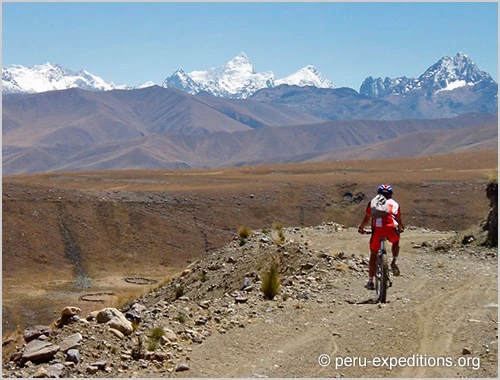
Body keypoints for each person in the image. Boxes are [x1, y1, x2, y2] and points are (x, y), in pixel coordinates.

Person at [357, 184, 404, 290]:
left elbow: (366, 218)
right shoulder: (395, 204)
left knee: (373, 254)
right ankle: (394, 261)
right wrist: (400, 228)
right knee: (396, 241)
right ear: (391, 194)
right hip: (392, 229)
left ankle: (370, 281)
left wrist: (361, 228)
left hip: (378, 231)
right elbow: (399, 220)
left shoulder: (373, 203)